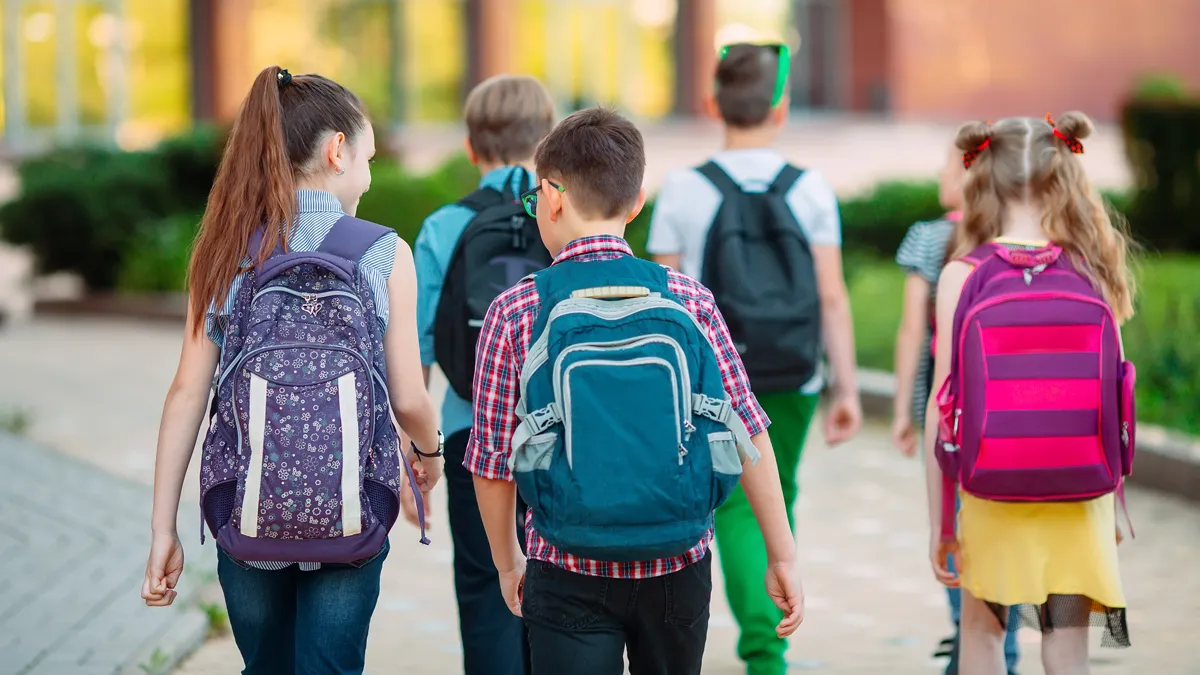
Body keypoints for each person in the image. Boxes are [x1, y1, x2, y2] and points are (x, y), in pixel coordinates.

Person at [465, 107, 804, 675]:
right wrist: (783, 554)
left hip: (565, 562)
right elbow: (746, 427)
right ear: (637, 200)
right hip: (678, 561)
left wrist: (507, 562)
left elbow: (492, 461)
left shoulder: (517, 309)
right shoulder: (688, 300)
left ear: (551, 196)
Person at [140, 65, 444, 675]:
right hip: (351, 513)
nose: (368, 175)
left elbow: (185, 397)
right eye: (368, 159)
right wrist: (429, 458)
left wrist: (162, 529)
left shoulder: (225, 248)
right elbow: (409, 396)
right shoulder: (384, 252)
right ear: (338, 151)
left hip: (247, 511)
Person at [646, 42, 860, 675]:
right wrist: (844, 387)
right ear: (781, 108)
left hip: (717, 377)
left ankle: (765, 650)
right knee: (780, 490)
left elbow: (666, 300)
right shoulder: (812, 188)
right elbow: (831, 295)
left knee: (736, 505)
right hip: (796, 371)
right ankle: (770, 644)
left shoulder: (685, 188)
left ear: (713, 103)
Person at [925, 112, 1133, 675]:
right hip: (1081, 496)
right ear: (1065, 176)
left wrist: (943, 523)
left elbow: (940, 412)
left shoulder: (962, 275)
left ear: (981, 178)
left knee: (982, 637)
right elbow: (1113, 396)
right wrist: (1113, 500)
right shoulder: (1093, 271)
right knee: (1067, 651)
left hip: (992, 496)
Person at [414, 73, 556, 675]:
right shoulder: (564, 214)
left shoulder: (445, 226)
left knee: (484, 584)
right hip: (562, 433)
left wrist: (412, 452)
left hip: (473, 435)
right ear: (550, 139)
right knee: (561, 588)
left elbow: (417, 345)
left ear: (471, 148)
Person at [891, 144, 1021, 675]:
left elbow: (910, 330)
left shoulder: (929, 237)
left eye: (947, 167)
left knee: (953, 525)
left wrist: (902, 408)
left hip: (946, 418)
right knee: (999, 527)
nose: (940, 174)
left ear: (972, 178)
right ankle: (1000, 645)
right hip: (1008, 418)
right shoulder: (1012, 242)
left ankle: (973, 640)